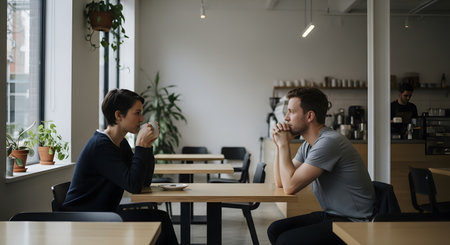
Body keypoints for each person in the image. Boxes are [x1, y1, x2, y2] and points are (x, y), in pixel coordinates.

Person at [63, 89, 178, 245]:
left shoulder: (119, 143)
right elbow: (134, 185)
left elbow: (144, 181)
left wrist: (147, 147)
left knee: (160, 218)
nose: (142, 119)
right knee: (160, 219)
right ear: (118, 115)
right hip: (84, 218)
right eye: (137, 113)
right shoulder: (101, 146)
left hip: (104, 213)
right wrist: (140, 147)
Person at [267, 88, 375, 245]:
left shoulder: (329, 142)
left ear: (310, 116)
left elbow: (290, 187)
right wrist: (279, 145)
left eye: (291, 112)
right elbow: (281, 182)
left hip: (355, 222)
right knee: (275, 229)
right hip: (333, 215)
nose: (286, 118)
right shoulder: (308, 145)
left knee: (286, 240)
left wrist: (284, 145)